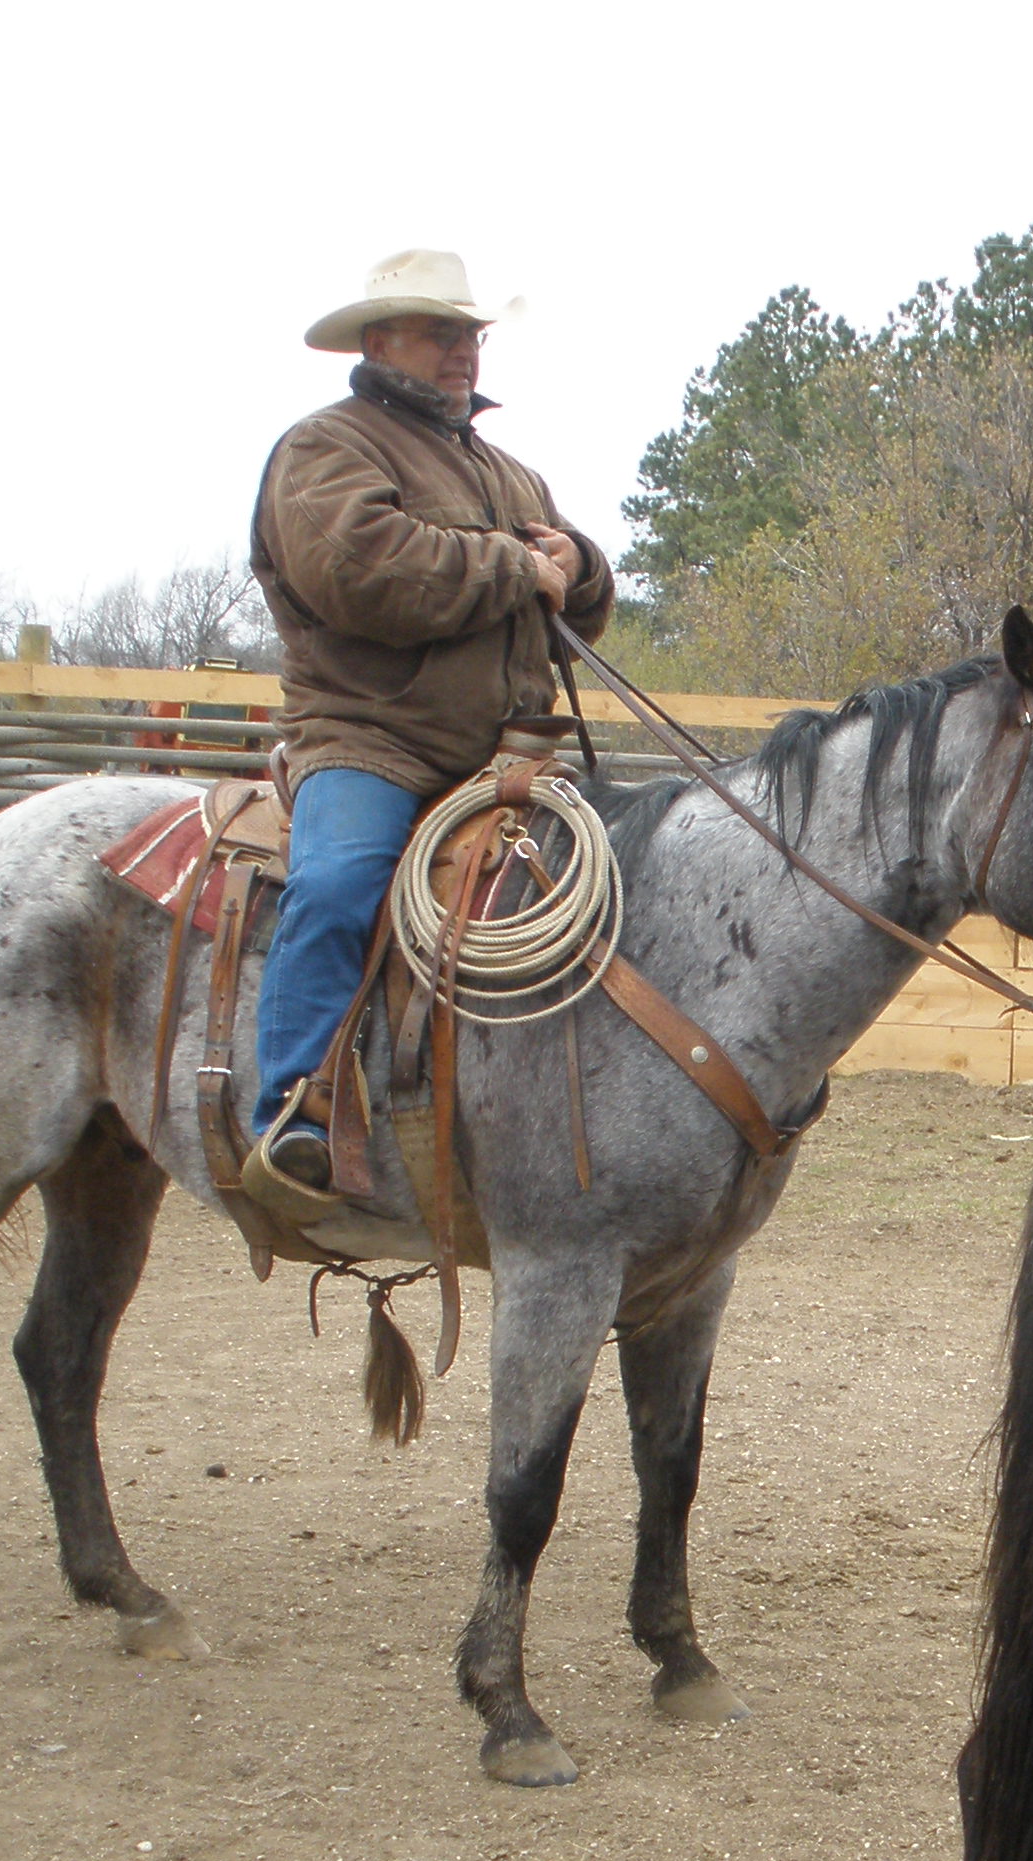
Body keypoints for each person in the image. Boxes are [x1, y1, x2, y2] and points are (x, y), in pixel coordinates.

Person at [243, 248, 617, 1194]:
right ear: (380, 342)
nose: (464, 352)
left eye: (472, 334)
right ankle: (299, 1106)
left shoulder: (508, 471)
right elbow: (361, 568)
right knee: (333, 887)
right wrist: (509, 567)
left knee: (639, 874)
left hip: (512, 754)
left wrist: (578, 562)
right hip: (375, 742)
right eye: (442, 331)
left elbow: (571, 596)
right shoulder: (325, 449)